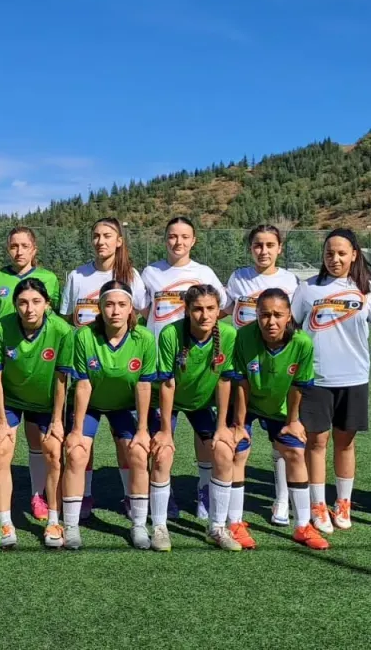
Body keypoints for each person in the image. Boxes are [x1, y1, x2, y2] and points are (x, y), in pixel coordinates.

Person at [291, 228, 371, 534]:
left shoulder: (366, 289)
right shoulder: (307, 289)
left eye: (342, 253)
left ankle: (343, 502)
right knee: (316, 442)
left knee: (345, 442)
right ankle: (318, 504)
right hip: (316, 378)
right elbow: (293, 327)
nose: (335, 259)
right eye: (329, 253)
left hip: (354, 377)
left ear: (354, 254)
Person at [60, 218, 149, 517]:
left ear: (119, 241)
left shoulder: (131, 276)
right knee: (82, 441)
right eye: (96, 235)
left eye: (108, 235)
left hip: (120, 370)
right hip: (86, 369)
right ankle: (84, 495)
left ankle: (130, 496)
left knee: (125, 442)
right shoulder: (78, 275)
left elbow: (140, 315)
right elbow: (68, 319)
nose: (101, 241)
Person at [140, 217, 228, 520]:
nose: (178, 242)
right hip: (161, 364)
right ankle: (164, 494)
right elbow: (142, 310)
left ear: (194, 240)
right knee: (161, 438)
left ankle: (204, 490)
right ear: (165, 239)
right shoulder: (151, 272)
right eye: (172, 236)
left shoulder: (203, 272)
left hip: (196, 368)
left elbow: (219, 309)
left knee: (206, 437)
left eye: (184, 236)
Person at [61, 280, 158, 550]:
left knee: (138, 453)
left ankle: (138, 524)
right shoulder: (84, 336)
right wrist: (76, 431)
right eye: (109, 304)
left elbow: (143, 386)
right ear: (100, 307)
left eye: (121, 304)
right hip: (90, 405)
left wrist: (142, 430)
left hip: (123, 406)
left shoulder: (144, 338)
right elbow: (83, 385)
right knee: (76, 452)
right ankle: (71, 525)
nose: (115, 311)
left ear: (131, 308)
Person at [229, 289, 329, 550]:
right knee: (238, 451)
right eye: (264, 315)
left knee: (295, 452)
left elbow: (298, 385)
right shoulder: (244, 336)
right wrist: (239, 424)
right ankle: (234, 523)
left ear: (289, 316)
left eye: (277, 315)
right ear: (256, 315)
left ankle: (303, 526)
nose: (271, 321)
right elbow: (241, 383)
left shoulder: (302, 343)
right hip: (248, 403)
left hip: (281, 407)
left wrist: (293, 421)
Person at [0, 227, 62, 522]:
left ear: (34, 248)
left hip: (39, 373)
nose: (19, 251)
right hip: (8, 372)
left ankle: (38, 496)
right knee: (1, 445)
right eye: (13, 245)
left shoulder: (50, 279)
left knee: (40, 443)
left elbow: (54, 325)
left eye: (24, 245)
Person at [225, 223, 301, 526]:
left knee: (281, 439)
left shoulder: (290, 280)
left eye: (270, 245)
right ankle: (232, 507)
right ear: (250, 248)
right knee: (238, 437)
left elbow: (297, 323)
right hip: (244, 369)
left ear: (279, 248)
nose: (263, 251)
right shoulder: (238, 278)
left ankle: (281, 500)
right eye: (258, 245)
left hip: (276, 371)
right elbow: (223, 311)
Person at [0, 278, 73, 547]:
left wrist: (58, 420)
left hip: (46, 404)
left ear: (47, 304)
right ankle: (5, 523)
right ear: (15, 304)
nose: (29, 309)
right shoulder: (0, 328)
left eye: (36, 301)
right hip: (11, 401)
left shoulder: (61, 330)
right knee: (1, 450)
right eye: (23, 302)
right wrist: (0, 420)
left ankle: (53, 521)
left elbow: (61, 379)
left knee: (53, 452)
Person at [152, 285, 234, 551]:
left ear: (219, 310)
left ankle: (216, 528)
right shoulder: (170, 333)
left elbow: (224, 381)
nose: (204, 315)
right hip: (170, 400)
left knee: (223, 452)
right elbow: (167, 384)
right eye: (197, 309)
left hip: (202, 404)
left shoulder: (228, 335)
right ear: (187, 310)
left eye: (211, 308)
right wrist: (166, 431)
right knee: (162, 453)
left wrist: (222, 426)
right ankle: (160, 527)